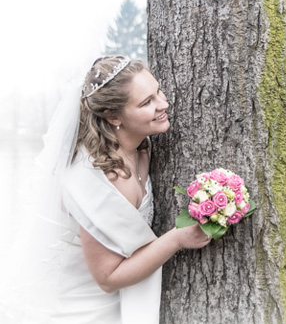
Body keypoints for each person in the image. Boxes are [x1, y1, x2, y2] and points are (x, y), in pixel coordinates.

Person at [0, 56, 211, 323]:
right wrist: (178, 239)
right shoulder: (98, 178)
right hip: (82, 308)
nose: (163, 104)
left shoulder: (141, 147)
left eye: (158, 91)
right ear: (113, 117)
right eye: (147, 102)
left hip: (120, 302)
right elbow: (107, 278)